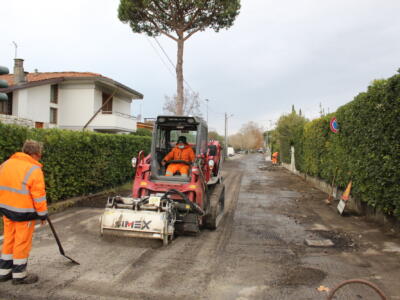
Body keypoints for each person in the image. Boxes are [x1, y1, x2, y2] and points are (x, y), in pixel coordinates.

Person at [0, 140, 48, 285]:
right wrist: (43, 214)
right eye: (39, 155)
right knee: (22, 242)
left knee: (9, 239)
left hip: (6, 209)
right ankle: (19, 275)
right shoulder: (34, 170)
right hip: (24, 213)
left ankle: (4, 272)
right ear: (34, 154)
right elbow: (38, 195)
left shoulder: (6, 164)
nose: (40, 158)